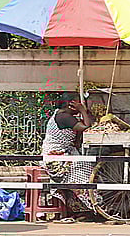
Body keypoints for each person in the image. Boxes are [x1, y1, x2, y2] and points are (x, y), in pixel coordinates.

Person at [41, 93, 95, 222]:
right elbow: (86, 127)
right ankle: (90, 205)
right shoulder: (64, 117)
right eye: (78, 103)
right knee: (83, 169)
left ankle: (79, 208)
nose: (81, 105)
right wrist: (83, 110)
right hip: (55, 158)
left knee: (83, 165)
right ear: (71, 104)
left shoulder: (61, 114)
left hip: (61, 154)